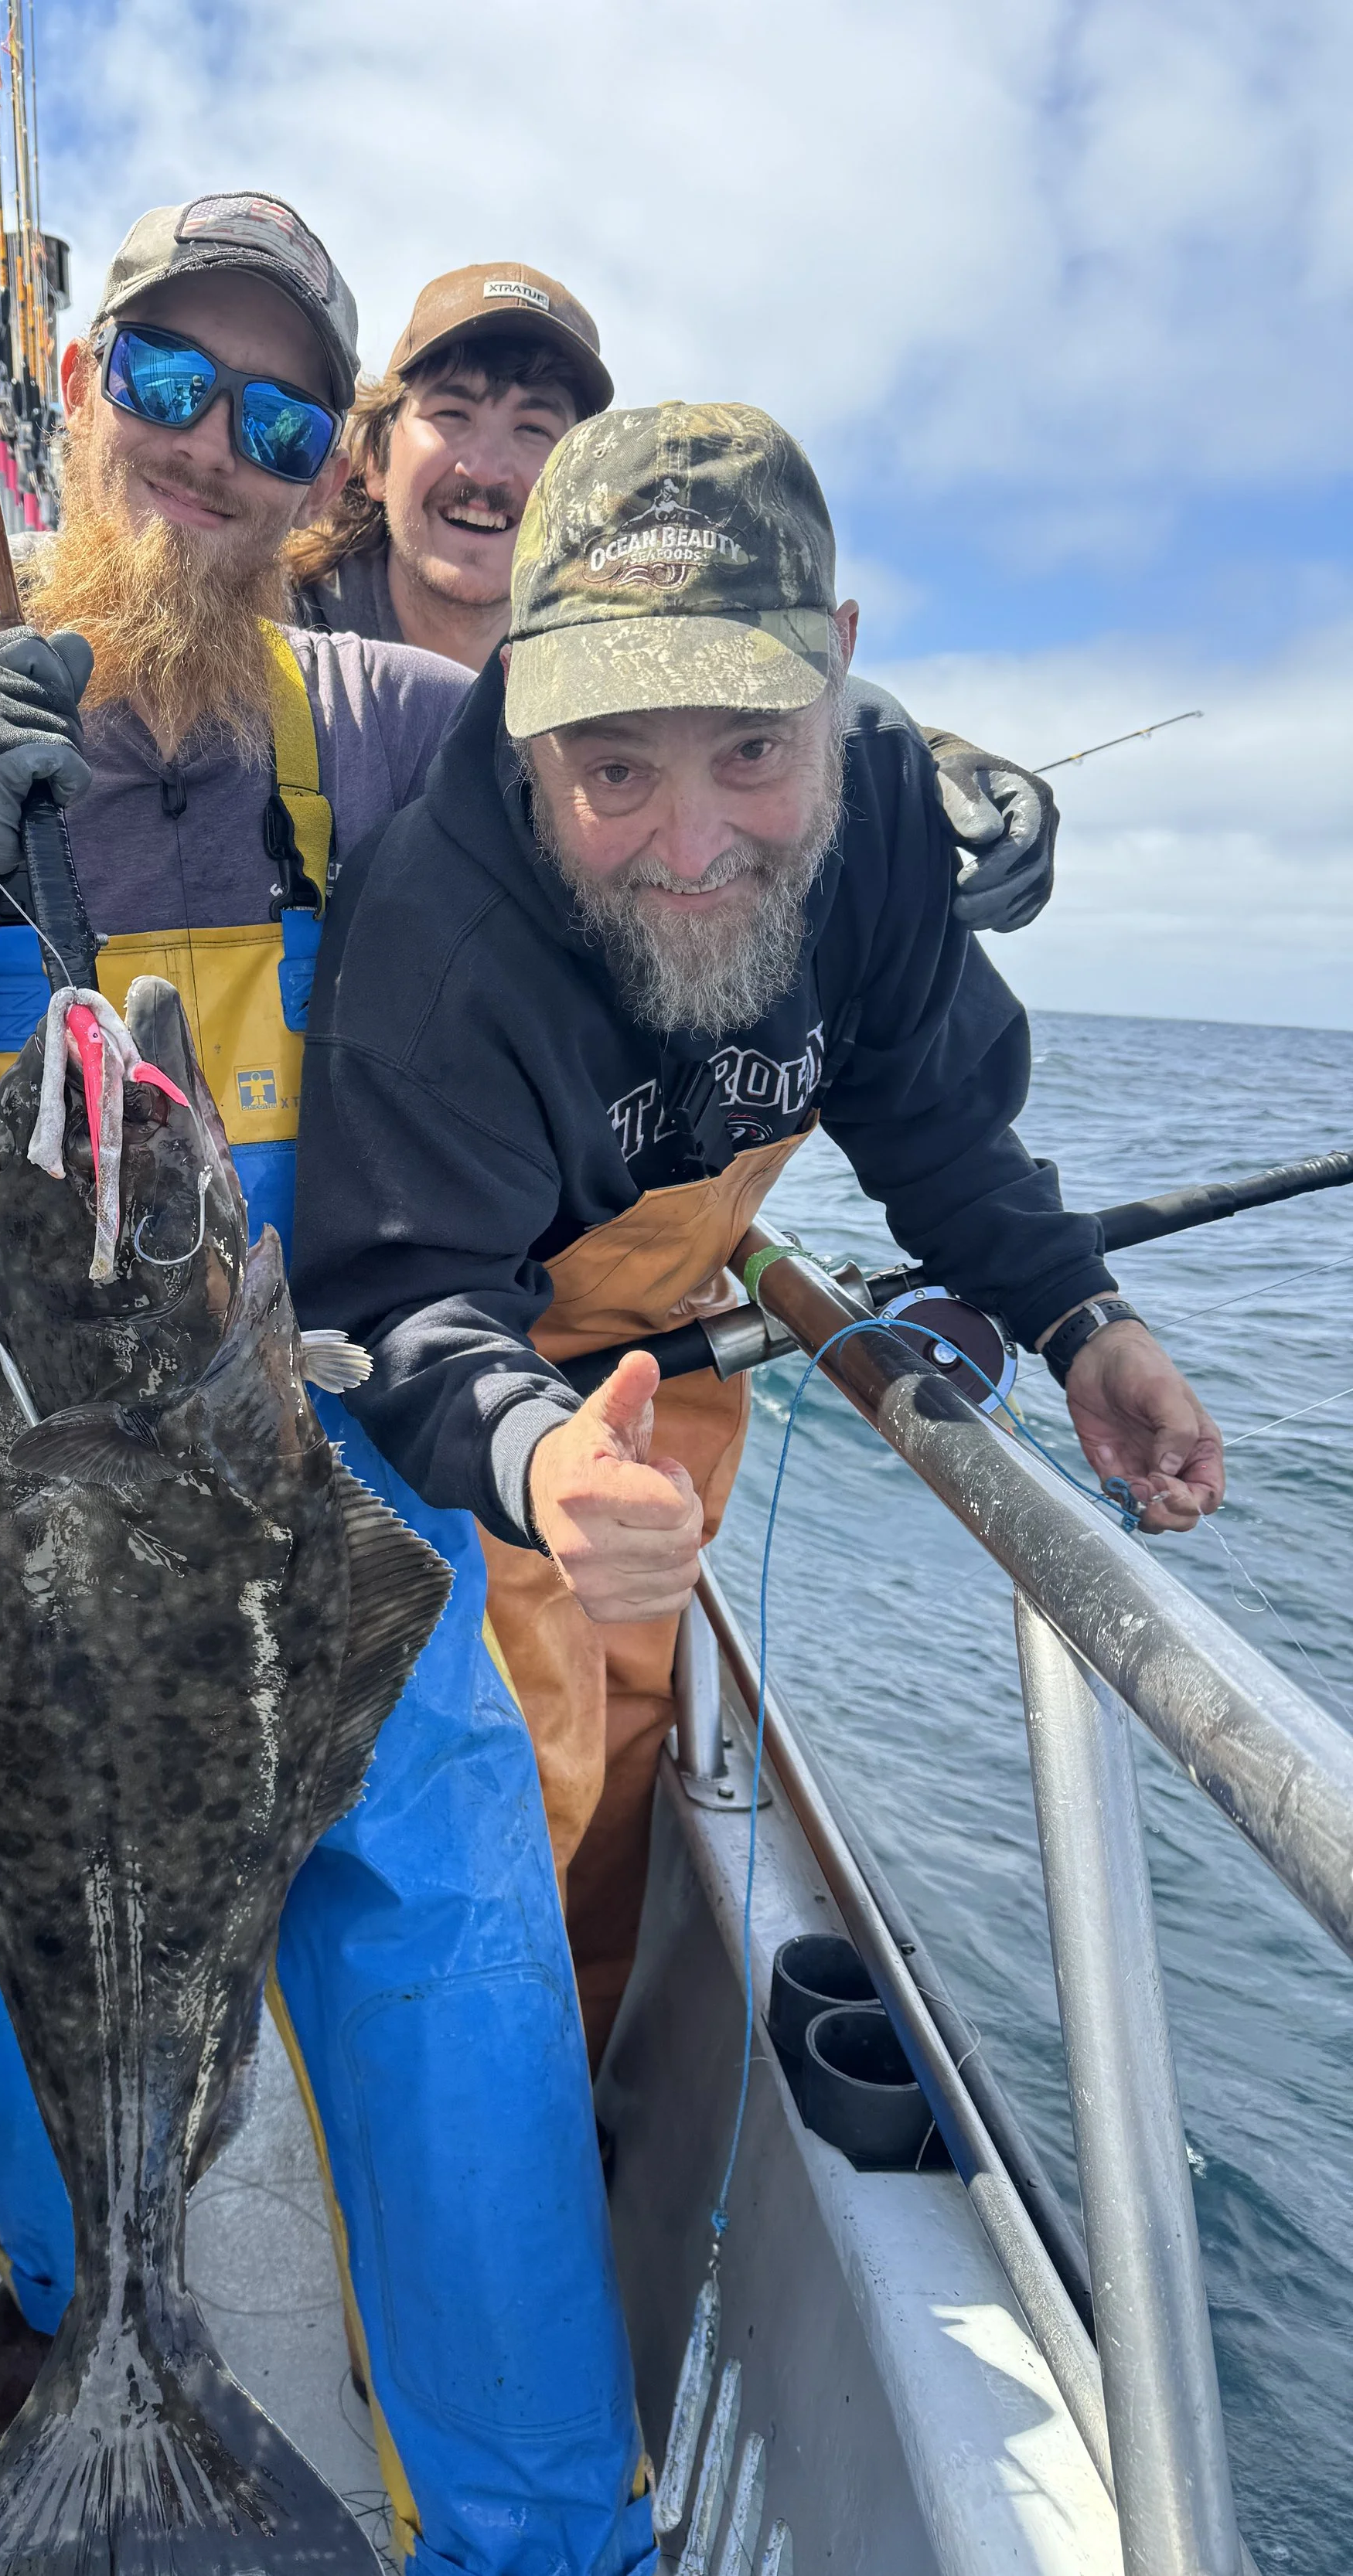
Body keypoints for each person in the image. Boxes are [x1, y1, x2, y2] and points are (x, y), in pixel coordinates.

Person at [0, 190, 657, 2576]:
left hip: (323, 1509)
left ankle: (531, 2526)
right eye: (170, 383)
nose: (211, 449)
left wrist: (845, 814)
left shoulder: (392, 736)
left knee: (461, 1987)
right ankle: (84, 2311)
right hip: (27, 1556)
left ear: (323, 481)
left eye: (277, 420)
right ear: (87, 391)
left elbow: (635, 823)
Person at [290, 401, 1225, 2060]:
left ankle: (585, 2084)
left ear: (837, 669)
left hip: (674, 1366)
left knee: (635, 1735)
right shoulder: (435, 931)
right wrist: (539, 1464)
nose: (693, 843)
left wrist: (1081, 1319)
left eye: (750, 750)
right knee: (512, 1777)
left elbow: (929, 1115)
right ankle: (485, 2122)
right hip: (486, 1407)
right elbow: (407, 1297)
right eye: (613, 767)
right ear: (523, 707)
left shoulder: (882, 812)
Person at [0, 273, 1059, 931]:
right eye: (453, 415)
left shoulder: (612, 664)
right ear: (365, 461)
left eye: (539, 429)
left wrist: (919, 760)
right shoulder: (254, 607)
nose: (491, 467)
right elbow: (19, 620)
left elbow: (731, 717)